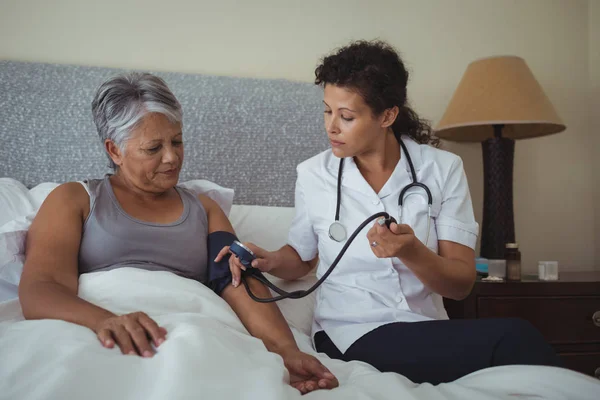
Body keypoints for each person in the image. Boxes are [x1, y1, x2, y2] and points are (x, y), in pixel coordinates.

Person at [222, 40, 562, 384]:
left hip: (424, 328)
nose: (331, 127)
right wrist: (268, 260)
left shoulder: (442, 169)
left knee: (518, 350)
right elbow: (302, 257)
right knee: (516, 339)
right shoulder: (314, 174)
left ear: (387, 115)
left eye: (347, 116)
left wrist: (412, 252)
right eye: (327, 111)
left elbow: (460, 284)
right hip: (349, 332)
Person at [18, 72, 338, 395]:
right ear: (114, 150)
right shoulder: (74, 199)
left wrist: (285, 350)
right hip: (97, 329)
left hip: (189, 334)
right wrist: (105, 320)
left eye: (177, 141)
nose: (171, 157)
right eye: (153, 147)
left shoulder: (205, 210)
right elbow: (41, 289)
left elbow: (238, 282)